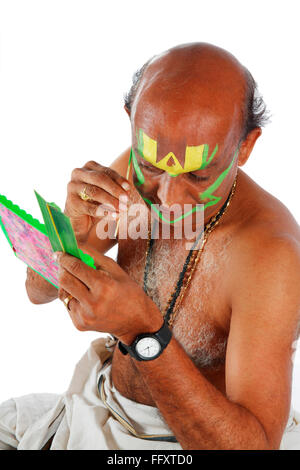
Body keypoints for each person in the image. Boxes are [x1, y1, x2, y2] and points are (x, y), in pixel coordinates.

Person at [1, 42, 300, 450]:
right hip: (98, 405)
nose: (170, 199)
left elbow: (254, 446)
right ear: (132, 123)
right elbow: (37, 291)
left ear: (245, 147)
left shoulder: (271, 256)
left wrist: (142, 330)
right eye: (153, 166)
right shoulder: (135, 167)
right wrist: (70, 234)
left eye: (196, 175)